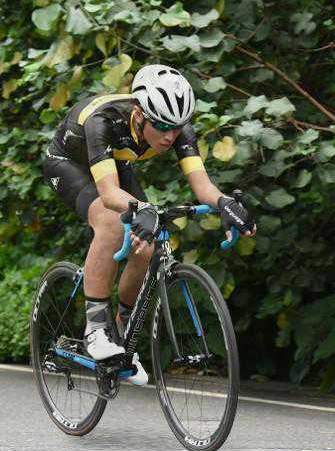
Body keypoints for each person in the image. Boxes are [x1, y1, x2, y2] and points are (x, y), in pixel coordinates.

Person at [44, 64, 256, 385]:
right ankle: (96, 328)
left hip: (114, 162)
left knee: (146, 245)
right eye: (161, 126)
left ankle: (121, 336)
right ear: (140, 115)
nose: (170, 136)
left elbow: (202, 185)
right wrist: (140, 208)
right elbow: (109, 193)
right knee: (112, 222)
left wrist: (225, 203)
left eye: (177, 127)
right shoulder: (104, 121)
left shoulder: (175, 128)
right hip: (68, 162)